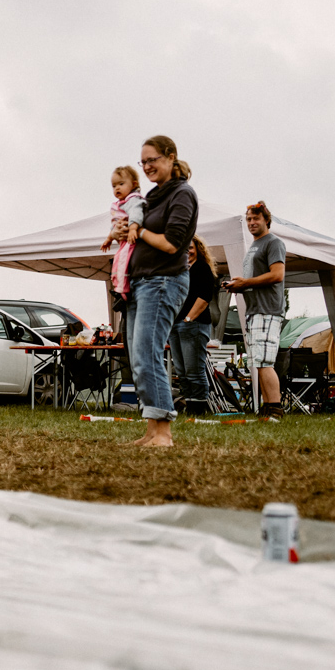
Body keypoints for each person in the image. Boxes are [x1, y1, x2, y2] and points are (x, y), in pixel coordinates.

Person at [125, 135, 199, 447]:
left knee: (148, 354)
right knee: (140, 355)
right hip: (144, 282)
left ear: (170, 156)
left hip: (163, 281)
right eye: (143, 162)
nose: (147, 167)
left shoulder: (182, 194)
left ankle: (164, 433)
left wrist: (139, 231)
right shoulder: (155, 196)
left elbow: (171, 244)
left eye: (152, 159)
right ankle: (152, 430)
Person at [223, 201, 287, 416]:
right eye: (249, 219)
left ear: (266, 220)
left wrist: (246, 283)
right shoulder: (255, 246)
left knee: (265, 361)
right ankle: (268, 408)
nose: (251, 222)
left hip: (267, 310)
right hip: (254, 309)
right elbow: (255, 281)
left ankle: (275, 408)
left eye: (256, 218)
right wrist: (238, 286)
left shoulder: (273, 243)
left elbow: (277, 275)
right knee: (258, 361)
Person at [170, 234, 220, 416]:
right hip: (175, 326)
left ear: (198, 249)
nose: (187, 251)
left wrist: (188, 319)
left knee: (194, 370)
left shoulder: (202, 268)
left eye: (190, 247)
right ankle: (190, 407)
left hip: (194, 325)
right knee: (182, 372)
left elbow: (204, 298)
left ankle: (198, 410)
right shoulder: (179, 271)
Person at [100, 166, 146, 300]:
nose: (117, 188)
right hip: (122, 240)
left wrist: (132, 229)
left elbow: (136, 214)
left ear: (134, 184)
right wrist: (109, 238)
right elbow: (114, 224)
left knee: (123, 261)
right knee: (117, 261)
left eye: (121, 184)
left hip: (130, 238)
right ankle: (118, 286)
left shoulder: (133, 199)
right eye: (114, 186)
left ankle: (122, 288)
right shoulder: (120, 203)